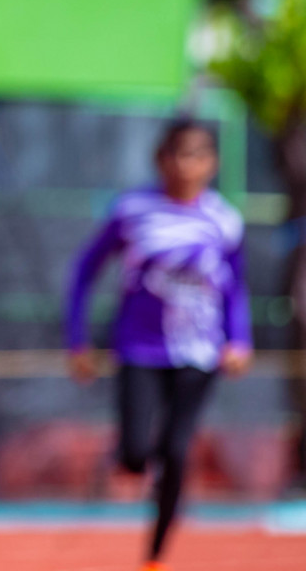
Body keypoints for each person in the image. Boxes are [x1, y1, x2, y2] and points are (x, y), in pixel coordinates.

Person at [66, 118, 252, 571]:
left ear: (213, 163)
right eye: (178, 153)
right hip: (138, 349)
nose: (187, 165)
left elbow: (235, 288)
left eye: (198, 155)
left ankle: (155, 555)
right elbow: (84, 273)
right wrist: (77, 340)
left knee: (176, 449)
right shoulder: (132, 210)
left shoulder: (224, 220)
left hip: (199, 354)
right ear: (160, 158)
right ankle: (137, 465)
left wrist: (240, 339)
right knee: (133, 453)